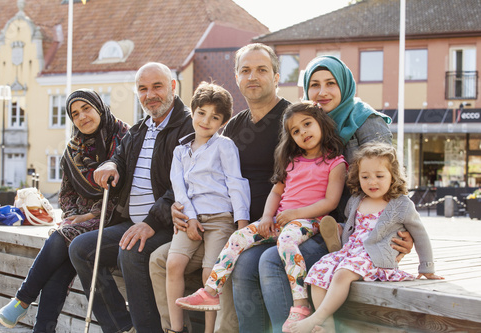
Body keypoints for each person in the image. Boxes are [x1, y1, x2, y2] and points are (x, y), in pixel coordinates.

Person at [225, 55, 416, 332]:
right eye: (314, 85)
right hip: (304, 224)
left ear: (345, 85)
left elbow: (391, 178)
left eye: (330, 83)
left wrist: (402, 230)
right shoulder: (306, 124)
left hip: (347, 231)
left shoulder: (366, 121)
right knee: (244, 263)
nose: (322, 92)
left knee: (271, 261)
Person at [149, 42, 290, 333]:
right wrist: (175, 208)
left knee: (228, 266)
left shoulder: (292, 119)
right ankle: (176, 329)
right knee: (159, 259)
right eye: (245, 70)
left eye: (262, 70)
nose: (252, 76)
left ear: (276, 76)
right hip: (213, 223)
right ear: (237, 77)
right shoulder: (233, 125)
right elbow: (196, 171)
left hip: (264, 227)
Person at [176, 101, 347, 332]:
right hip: (281, 220)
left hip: (310, 221)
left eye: (307, 124)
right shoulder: (292, 162)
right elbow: (277, 191)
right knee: (238, 237)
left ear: (321, 124)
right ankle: (210, 291)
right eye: (295, 131)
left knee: (286, 242)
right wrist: (267, 217)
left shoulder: (335, 162)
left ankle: (300, 304)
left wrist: (295, 214)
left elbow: (331, 201)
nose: (303, 132)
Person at [68, 63, 193, 333]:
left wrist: (150, 222)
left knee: (131, 251)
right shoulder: (138, 130)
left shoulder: (189, 127)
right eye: (143, 89)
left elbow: (185, 183)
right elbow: (120, 159)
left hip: (169, 223)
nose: (150, 95)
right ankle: (122, 327)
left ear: (172, 86)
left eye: (157, 86)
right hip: (132, 220)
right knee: (80, 249)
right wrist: (111, 165)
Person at [0, 89, 129, 331]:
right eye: (75, 113)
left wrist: (88, 216)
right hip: (80, 220)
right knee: (66, 246)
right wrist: (71, 217)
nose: (82, 117)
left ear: (98, 107)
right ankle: (40, 325)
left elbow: (124, 192)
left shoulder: (123, 140)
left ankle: (23, 300)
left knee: (63, 238)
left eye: (86, 109)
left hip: (112, 217)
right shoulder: (73, 149)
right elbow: (65, 194)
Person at [289, 142, 444, 333]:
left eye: (379, 176)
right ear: (358, 177)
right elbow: (356, 228)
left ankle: (317, 317)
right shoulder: (356, 200)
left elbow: (420, 235)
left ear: (393, 176)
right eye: (365, 176)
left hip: (375, 257)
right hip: (350, 252)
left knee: (343, 273)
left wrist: (427, 267)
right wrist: (340, 229)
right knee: (318, 271)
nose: (372, 182)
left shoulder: (401, 204)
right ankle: (327, 324)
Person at [166, 82, 251, 333]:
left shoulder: (224, 146)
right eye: (201, 113)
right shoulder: (180, 151)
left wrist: (241, 225)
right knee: (173, 264)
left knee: (209, 276)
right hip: (188, 217)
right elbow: (178, 188)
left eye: (214, 117)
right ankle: (175, 328)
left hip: (220, 218)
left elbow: (236, 183)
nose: (206, 121)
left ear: (222, 122)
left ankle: (210, 330)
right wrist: (190, 218)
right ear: (193, 112)